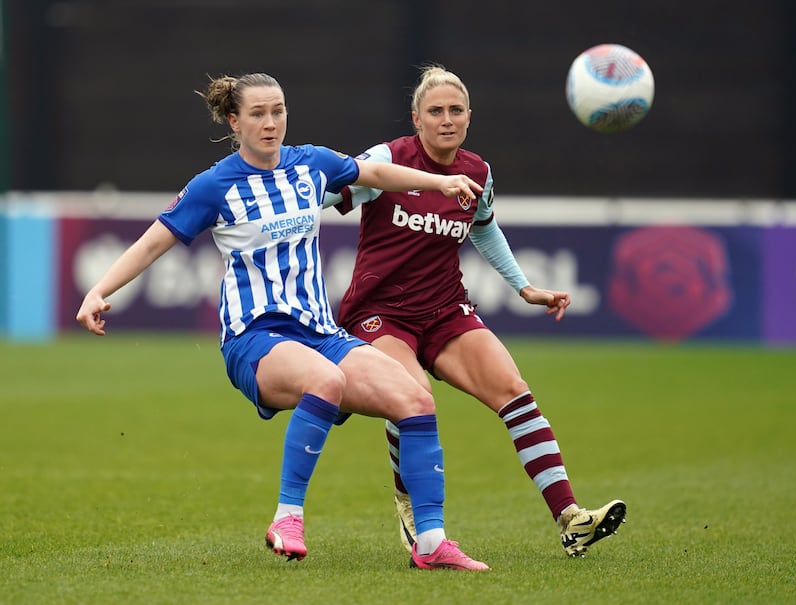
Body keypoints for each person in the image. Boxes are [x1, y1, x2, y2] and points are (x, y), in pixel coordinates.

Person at [75, 72, 491, 571]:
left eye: (278, 111)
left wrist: (439, 180)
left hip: (321, 334)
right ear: (235, 121)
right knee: (326, 380)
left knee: (415, 397)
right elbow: (152, 242)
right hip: (255, 339)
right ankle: (287, 517)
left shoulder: (310, 163)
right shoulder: (215, 185)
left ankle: (430, 542)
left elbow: (376, 175)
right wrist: (99, 290)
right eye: (257, 114)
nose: (271, 123)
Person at [325, 65, 626, 557]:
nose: (447, 119)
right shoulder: (388, 160)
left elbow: (484, 228)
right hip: (380, 312)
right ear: (416, 119)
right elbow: (327, 194)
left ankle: (571, 518)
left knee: (514, 392)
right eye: (436, 111)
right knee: (412, 395)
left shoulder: (477, 171)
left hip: (445, 309)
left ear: (469, 117)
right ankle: (409, 506)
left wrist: (524, 287)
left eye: (456, 110)